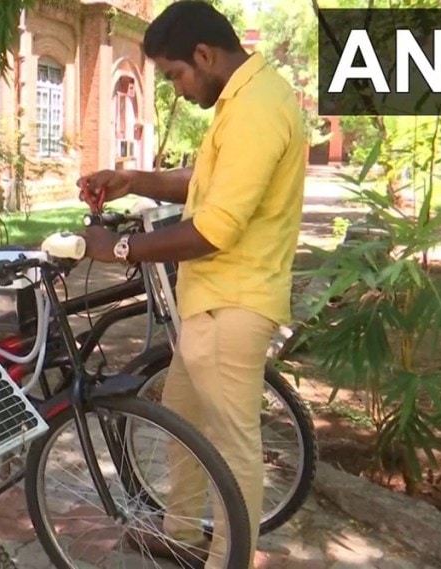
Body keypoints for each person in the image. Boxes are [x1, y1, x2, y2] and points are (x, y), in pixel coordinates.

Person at [77, 1, 306, 568]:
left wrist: (120, 248)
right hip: (208, 303)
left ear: (204, 55)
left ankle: (232, 559)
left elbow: (214, 228)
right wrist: (133, 179)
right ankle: (181, 533)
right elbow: (203, 183)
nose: (177, 90)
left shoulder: (257, 107)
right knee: (181, 420)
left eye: (177, 74)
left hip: (234, 305)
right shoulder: (242, 100)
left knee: (231, 451)